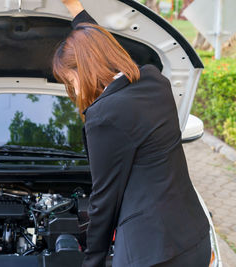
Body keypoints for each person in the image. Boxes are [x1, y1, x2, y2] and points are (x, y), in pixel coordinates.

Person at [52, 1, 211, 267]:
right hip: (194, 239)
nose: (75, 92)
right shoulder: (154, 81)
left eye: (71, 81)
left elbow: (104, 201)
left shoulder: (103, 116)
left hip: (150, 255)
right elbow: (105, 50)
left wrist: (93, 261)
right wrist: (75, 9)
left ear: (85, 69)